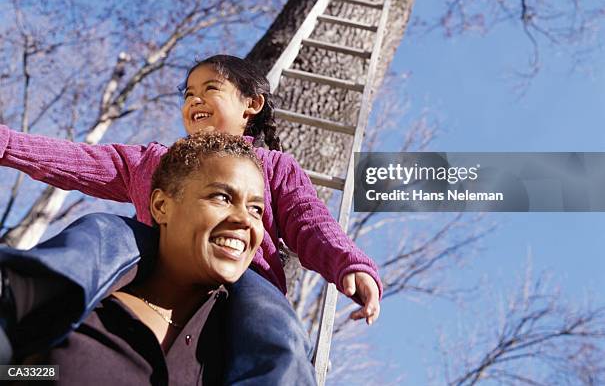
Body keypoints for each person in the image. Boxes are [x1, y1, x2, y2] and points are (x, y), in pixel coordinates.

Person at [0, 55, 381, 375]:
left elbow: (309, 220)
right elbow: (78, 161)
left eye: (210, 89)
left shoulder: (273, 166)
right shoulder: (152, 161)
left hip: (243, 273)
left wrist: (348, 263)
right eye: (188, 94)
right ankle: (21, 299)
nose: (194, 100)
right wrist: (7, 144)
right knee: (105, 230)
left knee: (274, 322)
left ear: (252, 104)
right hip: (156, 257)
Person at [3, 132, 316, 384]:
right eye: (222, 196)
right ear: (161, 206)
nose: (246, 220)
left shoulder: (250, 351)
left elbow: (312, 220)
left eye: (256, 209)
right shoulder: (74, 302)